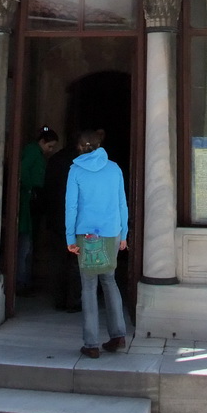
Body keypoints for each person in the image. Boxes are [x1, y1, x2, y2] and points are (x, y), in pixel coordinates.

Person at [65, 128, 128, 359]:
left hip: (86, 234)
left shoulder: (76, 170)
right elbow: (122, 204)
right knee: (110, 282)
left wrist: (70, 238)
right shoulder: (114, 169)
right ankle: (118, 334)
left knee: (89, 287)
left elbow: (71, 207)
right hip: (112, 232)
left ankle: (91, 343)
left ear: (80, 147)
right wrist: (124, 235)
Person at [17, 125, 58, 295]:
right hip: (27, 203)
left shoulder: (37, 153)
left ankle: (25, 281)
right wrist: (30, 189)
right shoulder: (32, 151)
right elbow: (22, 171)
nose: (51, 150)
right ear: (42, 141)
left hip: (32, 202)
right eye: (50, 146)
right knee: (24, 247)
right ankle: (21, 283)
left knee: (28, 246)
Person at [43, 139, 82, 312]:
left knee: (58, 260)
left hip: (57, 218)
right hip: (78, 220)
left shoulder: (55, 160)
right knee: (75, 261)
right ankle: (73, 301)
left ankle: (59, 299)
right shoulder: (83, 164)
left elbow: (48, 190)